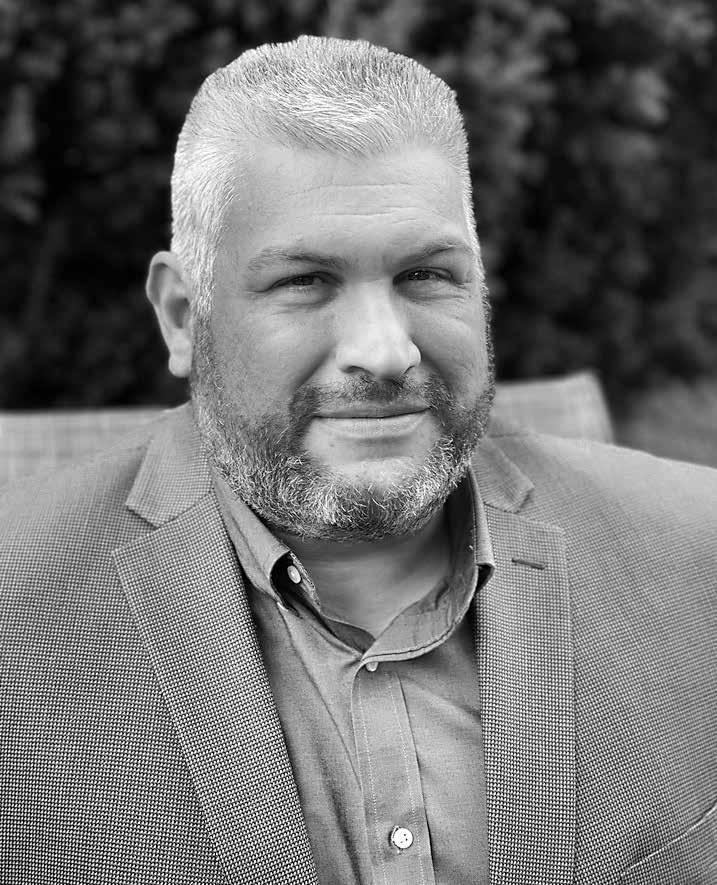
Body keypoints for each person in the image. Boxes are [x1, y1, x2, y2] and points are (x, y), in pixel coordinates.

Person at [1, 35, 715, 885]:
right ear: (183, 316)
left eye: (425, 274)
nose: (384, 352)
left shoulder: (697, 557)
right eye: (304, 281)